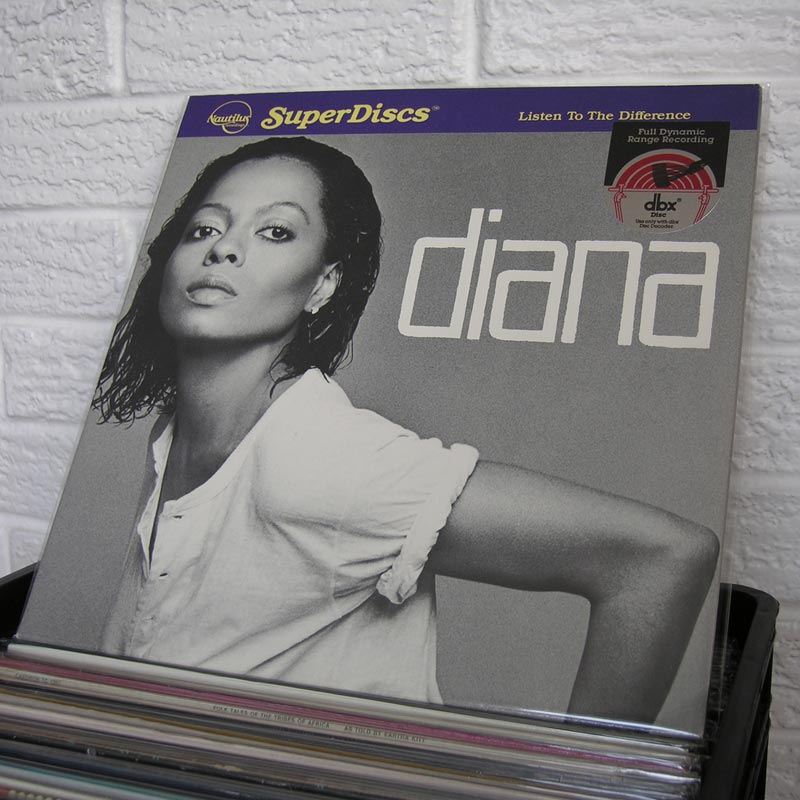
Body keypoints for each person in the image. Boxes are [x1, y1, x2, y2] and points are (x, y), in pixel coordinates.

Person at [94, 137, 719, 725]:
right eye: (204, 228)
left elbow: (659, 558)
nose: (223, 250)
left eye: (276, 231)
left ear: (322, 285)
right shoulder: (176, 434)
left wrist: (578, 776)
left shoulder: (319, 457)